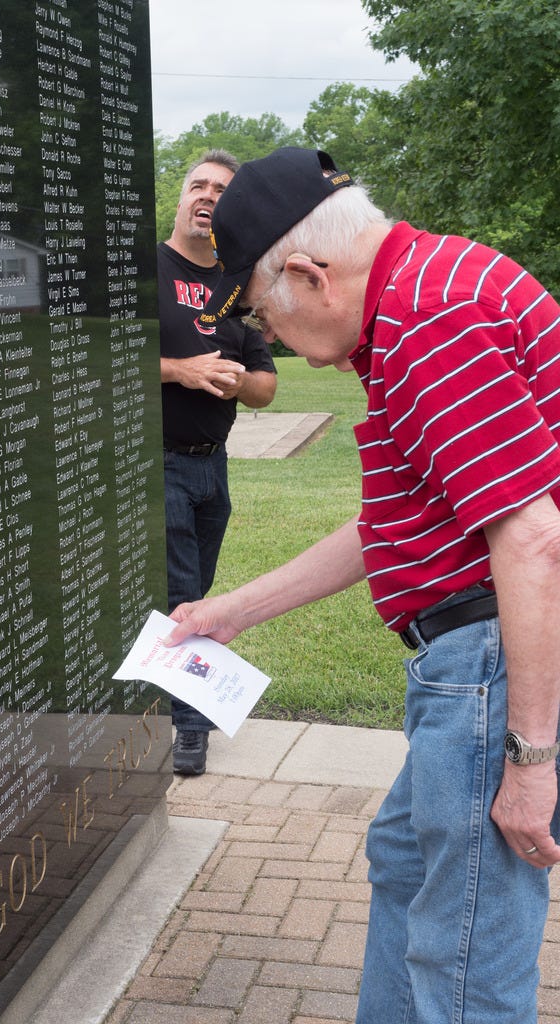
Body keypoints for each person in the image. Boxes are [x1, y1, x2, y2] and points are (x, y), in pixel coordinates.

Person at [166, 146, 560, 1022]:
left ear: (310, 272)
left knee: (463, 958)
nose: (281, 347)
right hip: (477, 651)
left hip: (489, 657)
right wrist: (233, 610)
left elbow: (532, 540)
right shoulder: (422, 295)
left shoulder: (430, 320)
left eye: (268, 315)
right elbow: (387, 526)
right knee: (406, 857)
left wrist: (531, 760)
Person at [159, 149, 277, 774]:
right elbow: (92, 354)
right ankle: (190, 725)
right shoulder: (141, 269)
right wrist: (182, 369)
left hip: (214, 467)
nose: (207, 197)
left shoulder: (236, 286)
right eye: (198, 185)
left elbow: (266, 382)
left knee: (194, 589)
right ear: (181, 197)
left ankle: (163, 693)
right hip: (159, 462)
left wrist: (233, 384)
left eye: (221, 191)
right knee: (183, 591)